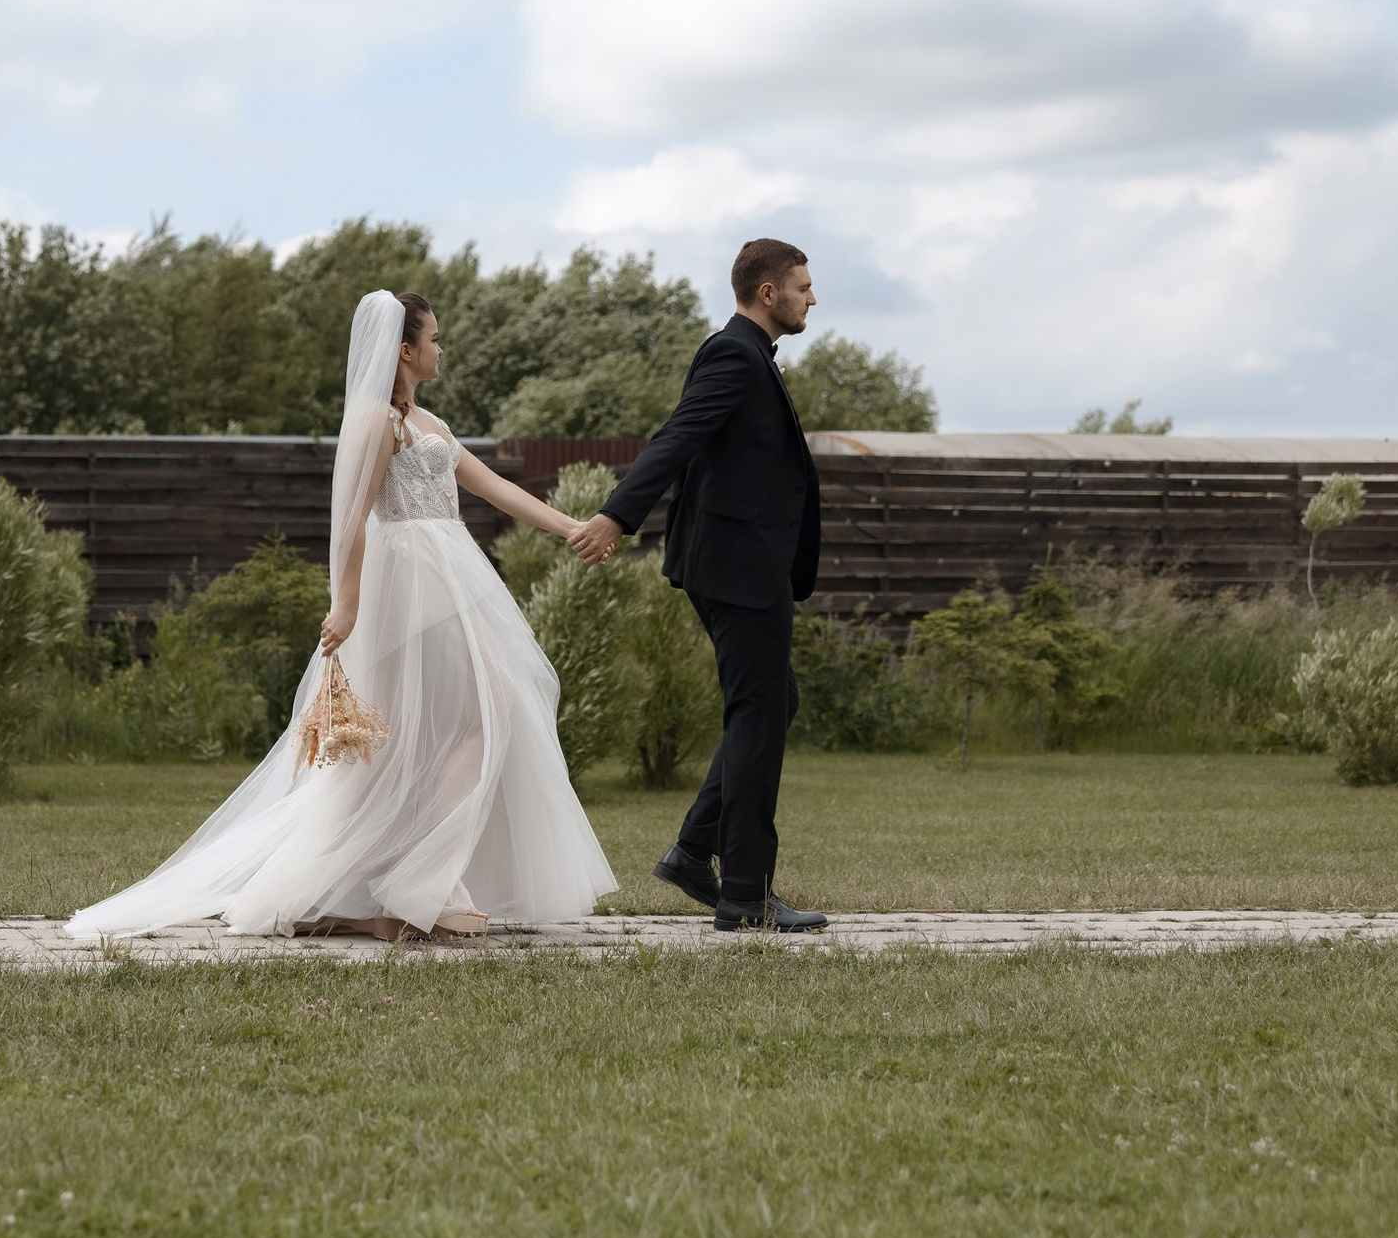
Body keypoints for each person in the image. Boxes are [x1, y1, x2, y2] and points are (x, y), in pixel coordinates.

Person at [66, 289, 617, 941]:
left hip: (452, 577)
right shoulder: (376, 421)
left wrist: (570, 526)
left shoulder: (430, 425)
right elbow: (353, 515)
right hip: (412, 583)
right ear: (406, 349)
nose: (442, 349)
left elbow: (491, 485)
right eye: (434, 339)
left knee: (471, 717)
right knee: (477, 713)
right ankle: (417, 881)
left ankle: (396, 884)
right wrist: (347, 601)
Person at [568, 238, 829, 932]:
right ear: (767, 292)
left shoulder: (751, 358)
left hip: (743, 563)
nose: (812, 297)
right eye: (803, 286)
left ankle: (693, 851)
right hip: (738, 567)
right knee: (758, 715)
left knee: (772, 704)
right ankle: (745, 891)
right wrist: (616, 515)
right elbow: (676, 436)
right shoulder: (733, 353)